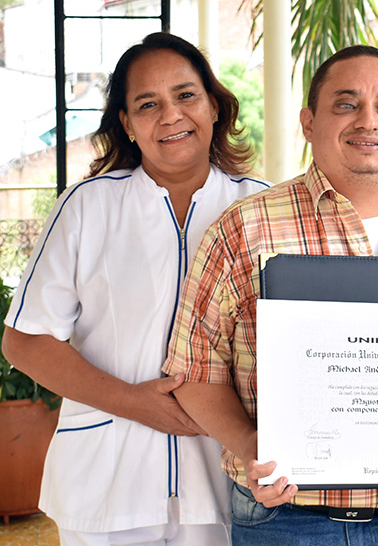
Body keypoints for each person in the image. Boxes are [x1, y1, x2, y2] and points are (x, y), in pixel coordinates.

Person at [162, 44, 378, 546]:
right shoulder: (244, 229)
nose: (368, 121)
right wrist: (250, 447)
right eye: (346, 104)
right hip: (284, 520)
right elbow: (192, 371)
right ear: (309, 122)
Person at [2, 32, 271, 546]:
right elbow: (25, 340)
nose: (170, 115)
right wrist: (133, 401)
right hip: (106, 483)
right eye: (148, 104)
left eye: (186, 95)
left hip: (222, 483)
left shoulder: (260, 208)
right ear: (126, 124)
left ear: (214, 105)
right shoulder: (86, 207)